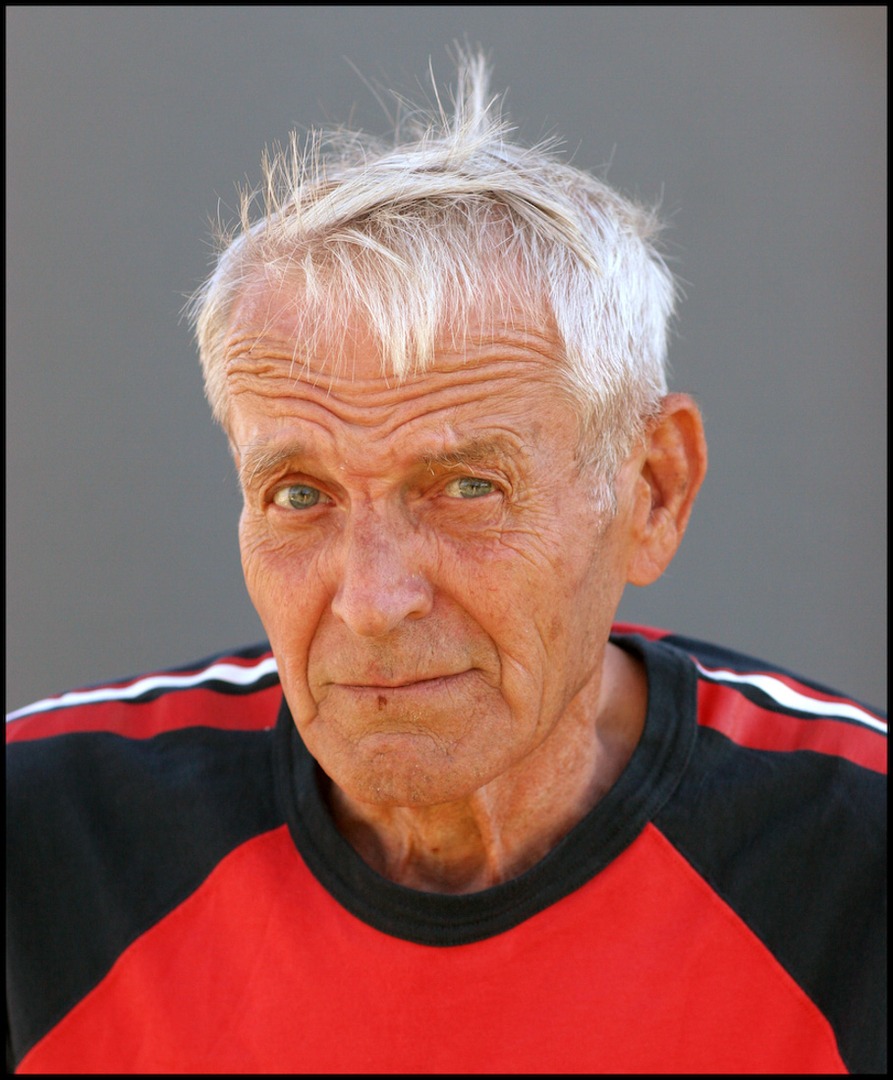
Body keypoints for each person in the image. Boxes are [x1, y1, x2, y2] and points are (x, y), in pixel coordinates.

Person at [6, 53, 885, 1075]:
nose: (372, 603)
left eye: (465, 488)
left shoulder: (855, 869)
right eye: (301, 495)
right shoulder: (39, 845)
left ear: (652, 489)